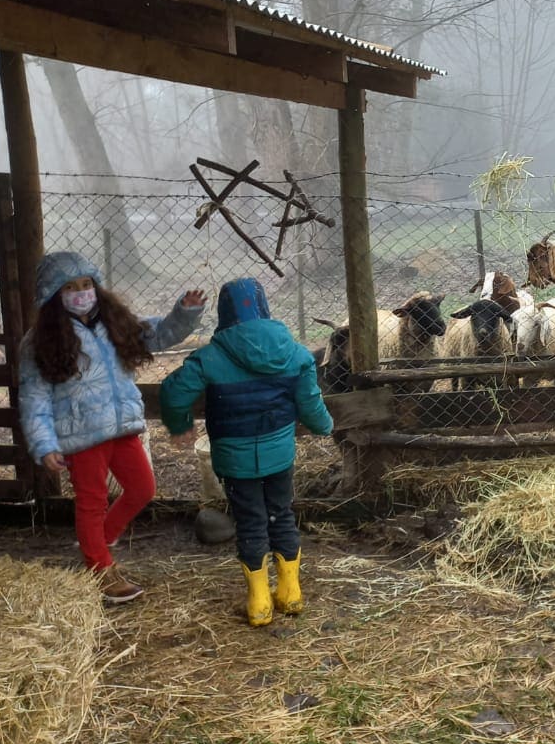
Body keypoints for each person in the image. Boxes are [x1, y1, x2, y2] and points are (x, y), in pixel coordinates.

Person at [18, 252, 206, 602]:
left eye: (87, 284)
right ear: (53, 294)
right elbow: (34, 399)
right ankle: (100, 570)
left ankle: (99, 539)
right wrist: (44, 445)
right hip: (80, 435)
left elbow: (161, 334)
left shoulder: (115, 322)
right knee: (91, 501)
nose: (81, 293)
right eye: (70, 287)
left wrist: (185, 313)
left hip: (122, 427)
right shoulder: (38, 342)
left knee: (143, 488)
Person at [159, 277, 333, 628]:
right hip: (279, 453)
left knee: (251, 522)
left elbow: (173, 393)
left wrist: (180, 427)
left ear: (225, 313)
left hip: (234, 458)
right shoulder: (295, 353)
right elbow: (311, 403)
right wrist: (324, 426)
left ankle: (259, 603)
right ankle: (291, 594)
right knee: (281, 514)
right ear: (264, 309)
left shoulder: (210, 357)